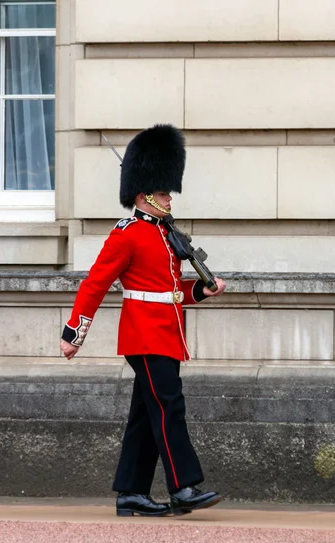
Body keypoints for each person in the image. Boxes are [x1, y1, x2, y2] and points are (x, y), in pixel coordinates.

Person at [60, 124, 226, 517]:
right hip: (145, 336)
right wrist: (75, 332)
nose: (170, 198)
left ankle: (131, 491)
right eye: (165, 191)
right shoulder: (127, 235)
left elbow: (170, 292)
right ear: (144, 194)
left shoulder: (164, 235)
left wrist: (202, 290)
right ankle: (184, 487)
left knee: (146, 413)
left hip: (166, 333)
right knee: (170, 406)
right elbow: (94, 285)